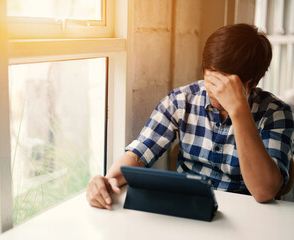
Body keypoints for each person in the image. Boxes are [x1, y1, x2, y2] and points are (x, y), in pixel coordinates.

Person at [86, 23, 294, 209]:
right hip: (190, 208)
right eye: (212, 79)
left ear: (253, 82)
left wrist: (239, 111)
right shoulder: (180, 101)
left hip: (249, 216)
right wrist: (107, 181)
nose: (216, 92)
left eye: (227, 85)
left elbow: (264, 191)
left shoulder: (276, 113)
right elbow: (140, 154)